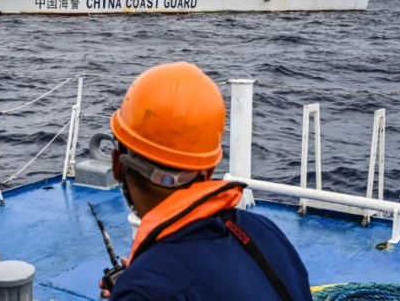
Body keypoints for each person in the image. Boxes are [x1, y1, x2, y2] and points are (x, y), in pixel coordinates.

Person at [99, 62, 312, 301]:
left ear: (117, 165)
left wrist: (137, 286)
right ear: (208, 169)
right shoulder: (265, 232)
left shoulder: (145, 289)